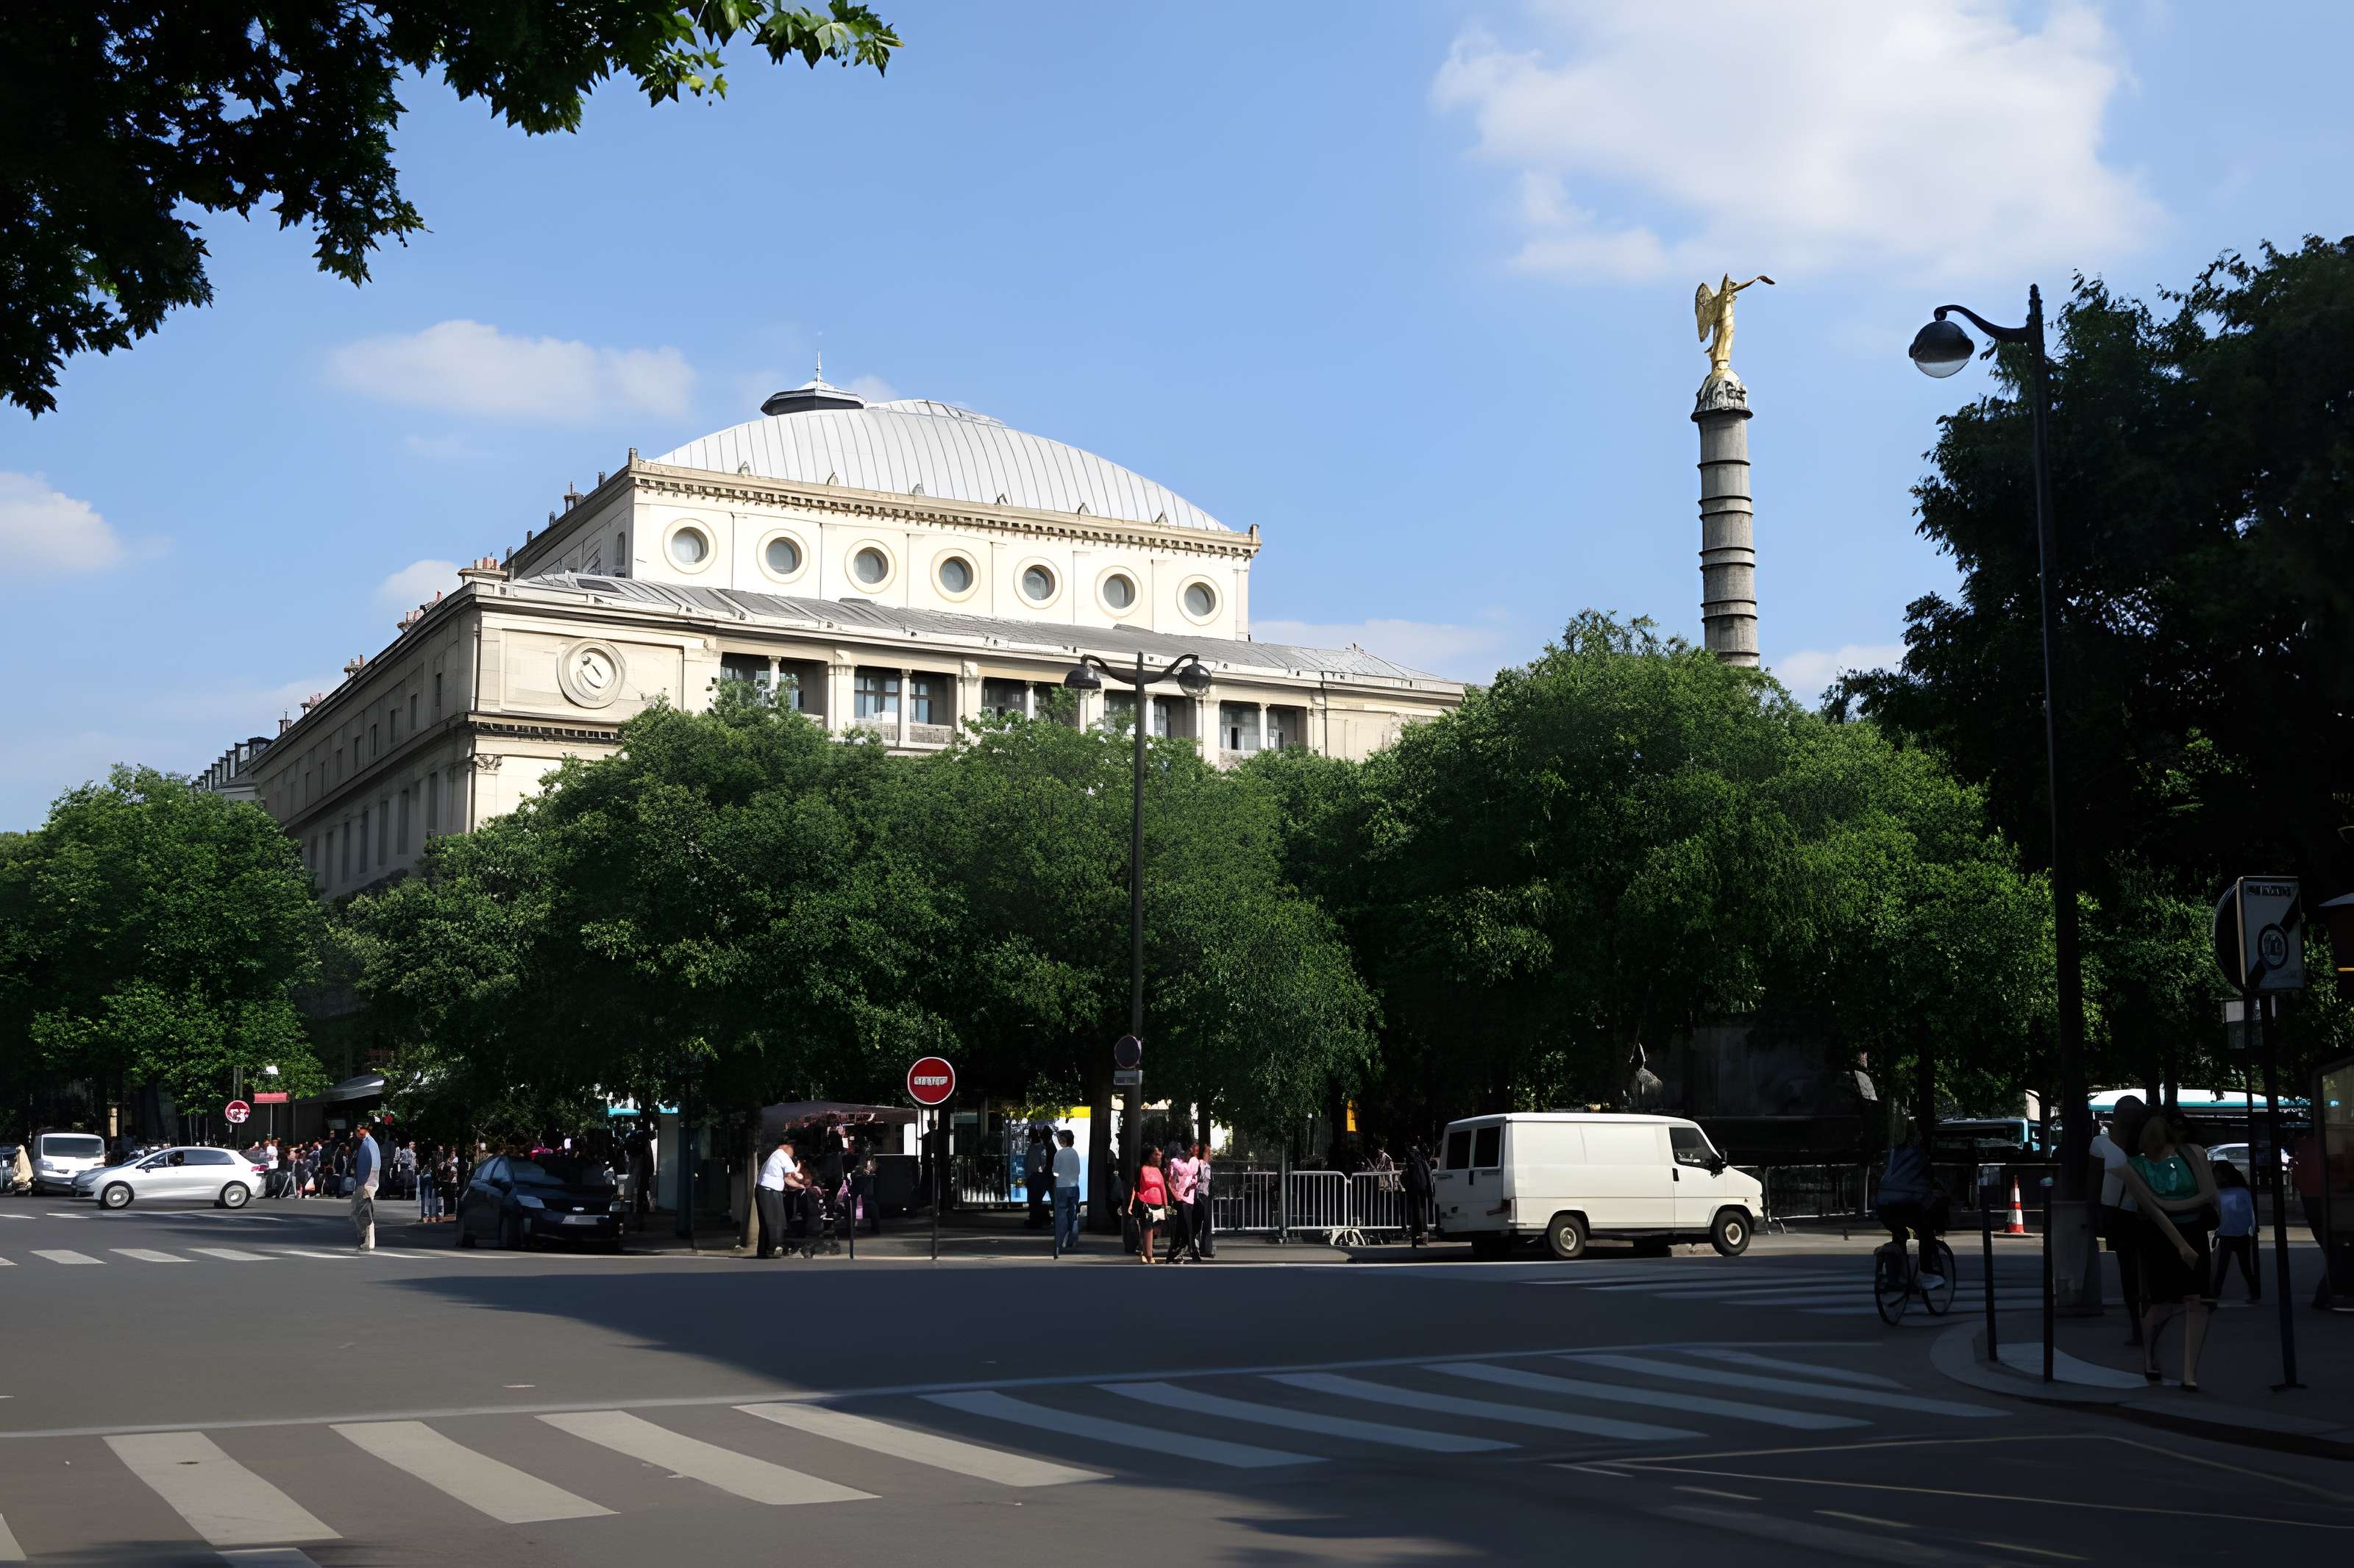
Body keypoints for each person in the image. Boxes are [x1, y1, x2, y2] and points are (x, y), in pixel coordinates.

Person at [2119, 1112, 2216, 1388]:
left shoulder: (2191, 1154)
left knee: (2195, 1300)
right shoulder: (2134, 1166)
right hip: (2161, 1236)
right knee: (2163, 1302)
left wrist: (2173, 1208)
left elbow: (2207, 1195)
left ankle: (2189, 1374)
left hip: (2190, 1229)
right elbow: (2154, 1211)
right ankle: (2150, 1356)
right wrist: (2182, 1243)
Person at [2091, 1097, 2150, 1343]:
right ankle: (2139, 1324)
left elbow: (2093, 1184)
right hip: (2123, 1214)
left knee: (2139, 1271)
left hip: (2141, 1213)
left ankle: (2143, 1323)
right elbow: (2093, 1183)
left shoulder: (2148, 1145)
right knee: (2132, 1271)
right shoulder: (2102, 1144)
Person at [1873, 1125, 1946, 1291]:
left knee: (1900, 1233)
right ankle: (1927, 1273)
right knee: (1925, 1231)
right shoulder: (1920, 1158)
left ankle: (1897, 1276)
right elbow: (1929, 1184)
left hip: (1884, 1204)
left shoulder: (1894, 1155)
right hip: (1907, 1204)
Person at [2208, 1161, 2258, 1304]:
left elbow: (2224, 1214)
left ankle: (2216, 1293)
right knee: (2244, 1266)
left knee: (2223, 1267)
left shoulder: (2220, 1194)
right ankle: (2253, 1291)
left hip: (2227, 1234)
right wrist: (2252, 1229)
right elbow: (2249, 1213)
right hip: (2240, 1234)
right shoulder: (2242, 1192)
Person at [755, 1136, 794, 1259]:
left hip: (764, 1189)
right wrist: (801, 1185)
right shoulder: (782, 1154)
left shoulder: (775, 1156)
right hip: (769, 1191)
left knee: (766, 1223)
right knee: (774, 1221)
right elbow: (789, 1178)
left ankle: (763, 1250)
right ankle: (772, 1248)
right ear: (786, 1148)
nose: (791, 1156)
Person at [1131, 1147, 1169, 1265]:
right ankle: (1148, 1254)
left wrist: (1166, 1204)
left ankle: (1146, 1251)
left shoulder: (1158, 1171)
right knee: (1147, 1229)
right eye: (1155, 1154)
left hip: (1158, 1202)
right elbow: (1146, 1182)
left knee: (1156, 1229)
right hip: (1147, 1201)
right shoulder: (1144, 1169)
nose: (1158, 1156)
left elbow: (1163, 1188)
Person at [1166, 1142, 1201, 1262]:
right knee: (1183, 1227)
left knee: (1186, 1226)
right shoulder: (1176, 1163)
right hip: (1180, 1200)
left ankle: (1182, 1250)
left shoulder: (1191, 1162)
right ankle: (1188, 1250)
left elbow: (1193, 1176)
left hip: (1188, 1199)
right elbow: (1172, 1181)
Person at [351, 1119, 383, 1252]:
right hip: (366, 1182)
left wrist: (365, 1183)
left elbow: (374, 1165)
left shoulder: (369, 1144)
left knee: (364, 1213)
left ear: (366, 1130)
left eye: (359, 1129)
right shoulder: (367, 1143)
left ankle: (367, 1241)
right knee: (363, 1212)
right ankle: (367, 1241)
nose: (357, 1132)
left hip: (367, 1183)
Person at [1051, 1129, 1083, 1253]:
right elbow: (1078, 1171)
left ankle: (1061, 1239)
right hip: (1074, 1186)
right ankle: (1071, 1238)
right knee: (1073, 1213)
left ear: (1062, 1141)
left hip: (1061, 1187)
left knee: (1061, 1213)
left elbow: (1055, 1171)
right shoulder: (1075, 1154)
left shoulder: (1059, 1154)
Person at [1404, 1141, 1434, 1247]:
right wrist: (1430, 1193)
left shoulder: (1413, 1160)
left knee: (1416, 1214)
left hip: (1415, 1189)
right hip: (1422, 1188)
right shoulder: (1421, 1161)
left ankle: (1416, 1238)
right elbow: (1428, 1176)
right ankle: (1421, 1237)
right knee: (1421, 1213)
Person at [1024, 1127, 1053, 1230]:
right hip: (1035, 1177)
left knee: (1034, 1201)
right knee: (1034, 1201)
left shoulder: (1039, 1148)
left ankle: (1036, 1221)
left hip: (1036, 1177)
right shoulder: (1039, 1148)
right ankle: (1035, 1220)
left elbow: (1041, 1164)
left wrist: (1031, 1175)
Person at [1191, 1139, 1215, 1259]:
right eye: (1207, 1152)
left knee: (1206, 1221)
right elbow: (1201, 1179)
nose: (1209, 1155)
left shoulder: (1206, 1165)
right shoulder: (1199, 1164)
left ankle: (1205, 1248)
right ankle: (1196, 1247)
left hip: (1205, 1195)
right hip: (1199, 1195)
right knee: (1200, 1221)